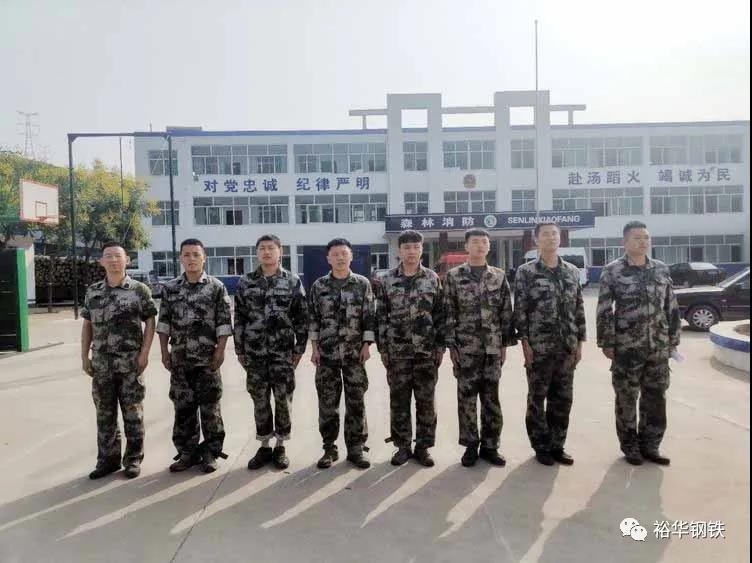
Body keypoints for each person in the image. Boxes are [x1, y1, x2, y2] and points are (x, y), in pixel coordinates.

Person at [596, 221, 681, 466]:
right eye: (637, 238)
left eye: (646, 237)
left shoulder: (661, 269)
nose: (643, 242)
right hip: (627, 347)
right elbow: (604, 308)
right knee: (626, 397)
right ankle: (630, 446)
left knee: (656, 397)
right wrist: (607, 342)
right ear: (625, 242)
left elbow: (671, 305)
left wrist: (673, 340)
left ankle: (651, 445)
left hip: (658, 345)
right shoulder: (613, 270)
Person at [81, 241, 157, 479]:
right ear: (101, 261)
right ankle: (108, 460)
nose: (113, 260)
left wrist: (145, 353)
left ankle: (133, 459)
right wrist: (84, 356)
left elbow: (150, 321)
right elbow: (87, 325)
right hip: (101, 365)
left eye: (117, 256)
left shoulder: (139, 290)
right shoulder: (93, 291)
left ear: (127, 260)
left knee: (133, 414)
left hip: (130, 365)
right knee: (104, 415)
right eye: (108, 256)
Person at [157, 238, 232, 474]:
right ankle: (187, 453)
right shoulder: (170, 288)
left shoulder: (216, 287)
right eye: (187, 254)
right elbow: (164, 324)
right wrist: (164, 352)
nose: (191, 259)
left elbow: (224, 323)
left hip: (207, 361)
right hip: (180, 360)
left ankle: (210, 452)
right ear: (180, 258)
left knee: (210, 409)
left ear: (204, 258)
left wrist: (220, 351)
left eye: (196, 254)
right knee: (183, 409)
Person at [514, 222, 586, 466]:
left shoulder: (572, 271)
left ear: (560, 238)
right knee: (537, 398)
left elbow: (579, 307)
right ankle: (541, 446)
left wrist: (580, 343)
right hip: (539, 347)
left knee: (563, 399)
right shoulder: (526, 272)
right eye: (545, 234)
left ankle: (558, 445)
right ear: (536, 240)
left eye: (554, 233)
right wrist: (525, 343)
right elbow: (520, 309)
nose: (551, 237)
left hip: (567, 346)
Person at [234, 234, 308, 470]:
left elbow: (301, 318)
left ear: (280, 252)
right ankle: (264, 445)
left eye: (271, 248)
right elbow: (240, 318)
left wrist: (299, 349)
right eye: (262, 248)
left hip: (282, 354)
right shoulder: (246, 282)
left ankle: (280, 446)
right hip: (255, 353)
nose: (266, 252)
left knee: (283, 401)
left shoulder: (292, 281)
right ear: (257, 253)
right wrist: (239, 349)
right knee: (260, 400)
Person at [445, 228, 516, 468]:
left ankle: (490, 446)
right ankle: (470, 446)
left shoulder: (499, 276)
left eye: (484, 242)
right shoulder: (454, 276)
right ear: (466, 246)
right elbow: (448, 311)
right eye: (475, 242)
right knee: (466, 398)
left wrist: (505, 344)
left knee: (491, 398)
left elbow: (505, 311)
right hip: (465, 348)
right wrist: (451, 345)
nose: (480, 245)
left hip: (492, 348)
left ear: (489, 246)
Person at [375, 230, 445, 467]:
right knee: (399, 401)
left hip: (426, 352)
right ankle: (402, 447)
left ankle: (423, 447)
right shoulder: (386, 280)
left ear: (422, 249)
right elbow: (381, 316)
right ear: (400, 251)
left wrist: (440, 347)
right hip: (397, 352)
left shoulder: (432, 278)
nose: (411, 251)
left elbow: (441, 315)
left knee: (426, 402)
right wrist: (383, 349)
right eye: (407, 247)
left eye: (416, 247)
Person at [309, 238, 375, 469]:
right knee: (328, 403)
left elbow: (369, 316)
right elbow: (313, 318)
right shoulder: (319, 286)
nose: (340, 257)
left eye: (344, 253)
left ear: (351, 256)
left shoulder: (362, 284)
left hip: (354, 354)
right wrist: (314, 348)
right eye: (335, 254)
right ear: (328, 258)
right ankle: (329, 448)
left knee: (356, 402)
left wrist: (367, 345)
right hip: (326, 354)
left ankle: (356, 448)